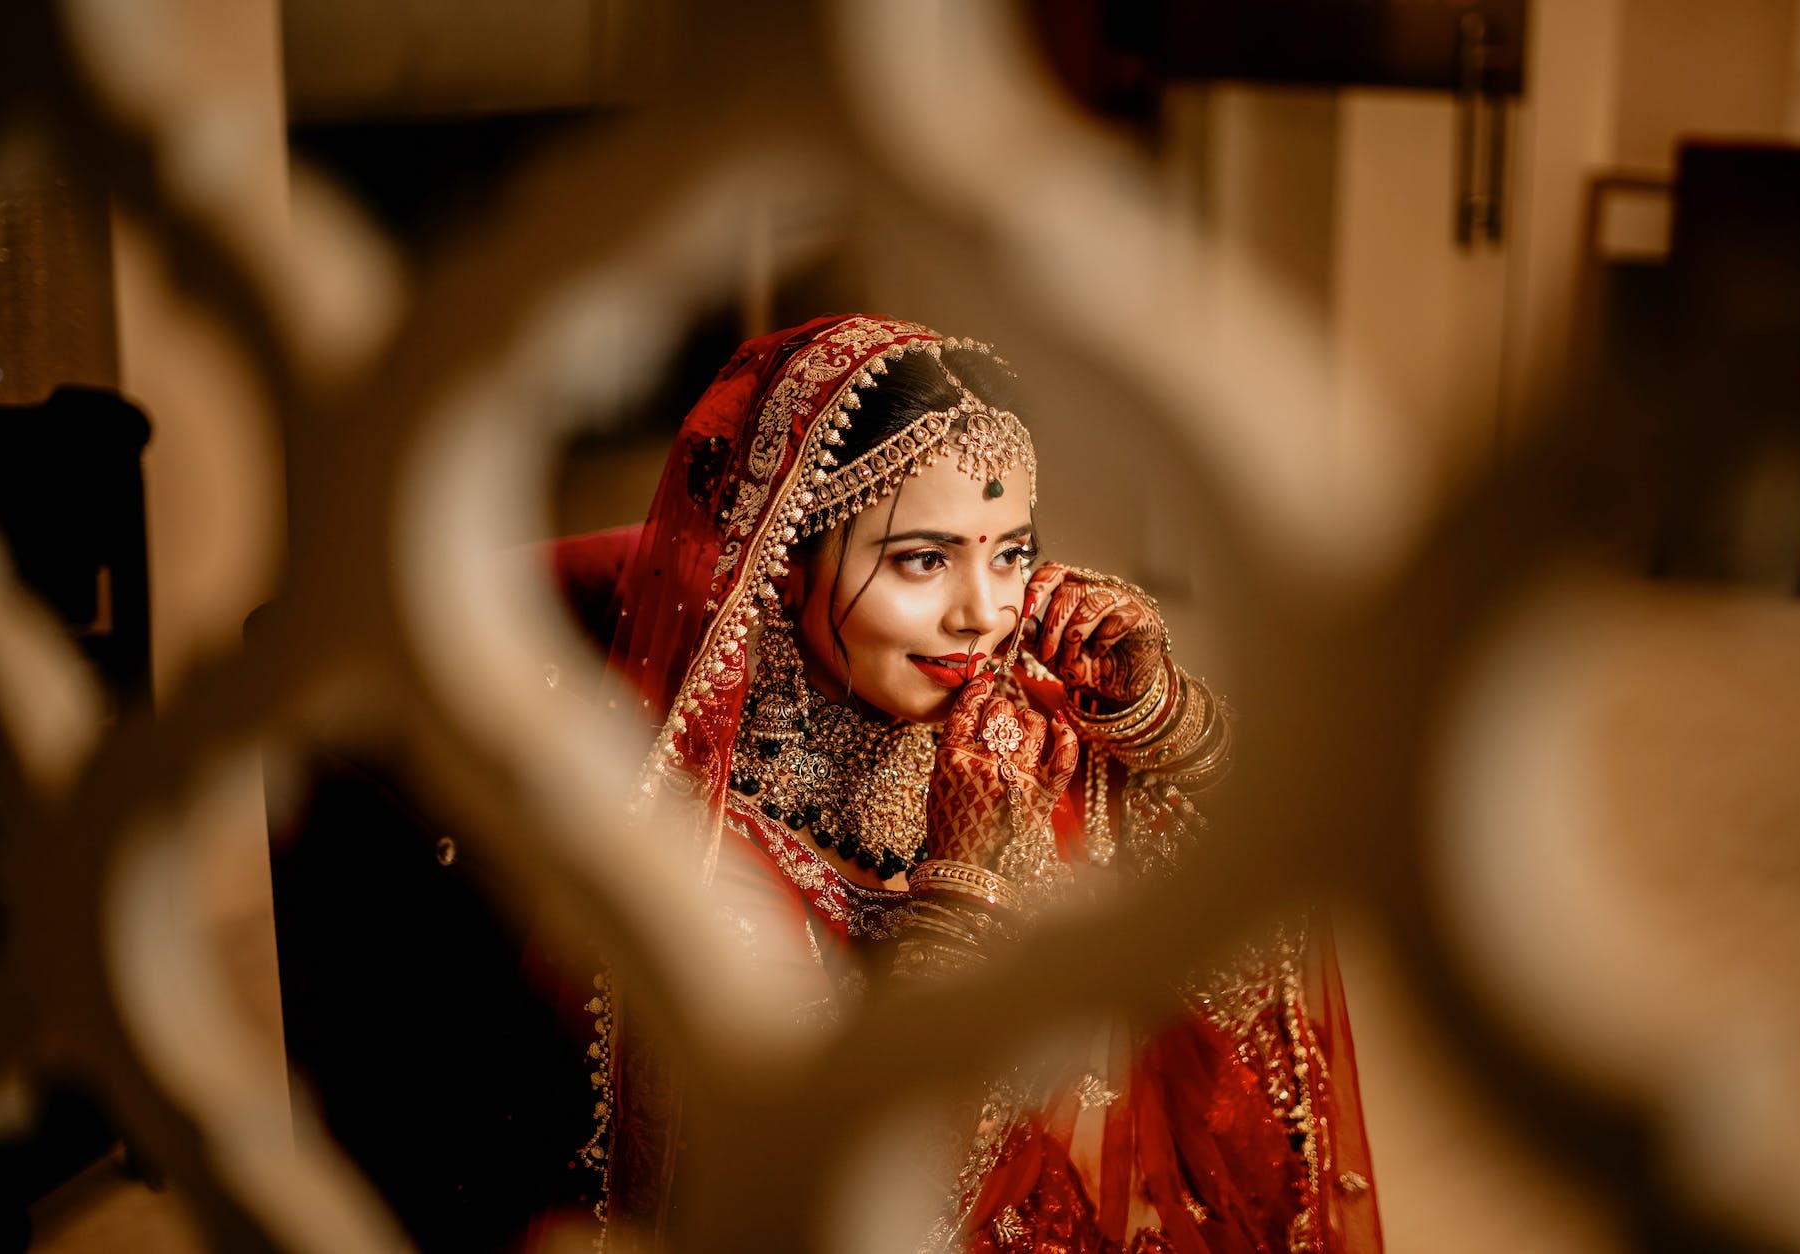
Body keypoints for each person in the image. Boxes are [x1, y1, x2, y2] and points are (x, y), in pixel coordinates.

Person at [552, 313, 1382, 1252]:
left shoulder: (1018, 723)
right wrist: (967, 877)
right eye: (923, 559)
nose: (983, 613)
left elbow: (1280, 849)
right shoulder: (706, 850)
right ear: (784, 564)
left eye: (1011, 552)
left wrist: (1153, 708)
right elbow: (852, 1202)